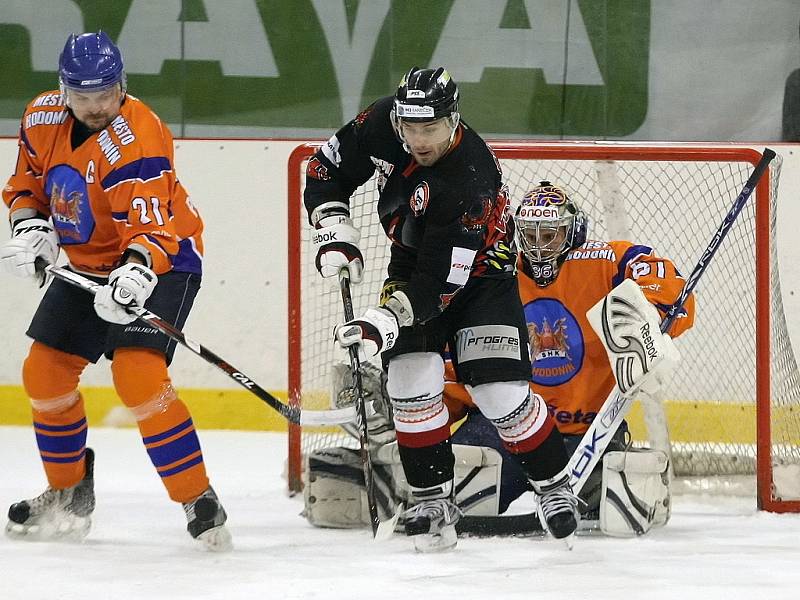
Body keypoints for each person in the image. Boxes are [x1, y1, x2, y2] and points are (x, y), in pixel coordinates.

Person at [305, 181, 695, 537]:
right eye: (530, 235)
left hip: (590, 431)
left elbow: (671, 290)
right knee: (455, 481)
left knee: (626, 516)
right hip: (500, 433)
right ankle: (397, 472)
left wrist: (649, 318)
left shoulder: (609, 262)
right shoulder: (490, 278)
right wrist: (410, 407)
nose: (540, 245)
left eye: (550, 234)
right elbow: (457, 366)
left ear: (572, 232)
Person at [303, 66, 579, 551]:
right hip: (412, 266)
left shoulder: (470, 173)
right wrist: (334, 229)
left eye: (430, 128)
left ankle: (554, 485)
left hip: (481, 277)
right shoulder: (384, 121)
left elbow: (440, 286)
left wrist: (382, 322)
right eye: (411, 129)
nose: (419, 139)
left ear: (453, 119)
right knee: (410, 382)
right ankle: (431, 499)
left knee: (497, 393)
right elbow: (325, 172)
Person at [0, 31, 231, 551]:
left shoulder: (141, 135)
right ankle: (67, 492)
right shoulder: (40, 120)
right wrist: (31, 229)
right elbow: (26, 188)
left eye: (107, 93)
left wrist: (134, 273)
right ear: (63, 91)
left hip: (162, 259)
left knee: (138, 375)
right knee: (44, 372)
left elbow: (152, 230)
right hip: (86, 264)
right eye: (83, 96)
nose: (98, 106)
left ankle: (197, 497)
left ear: (121, 83)